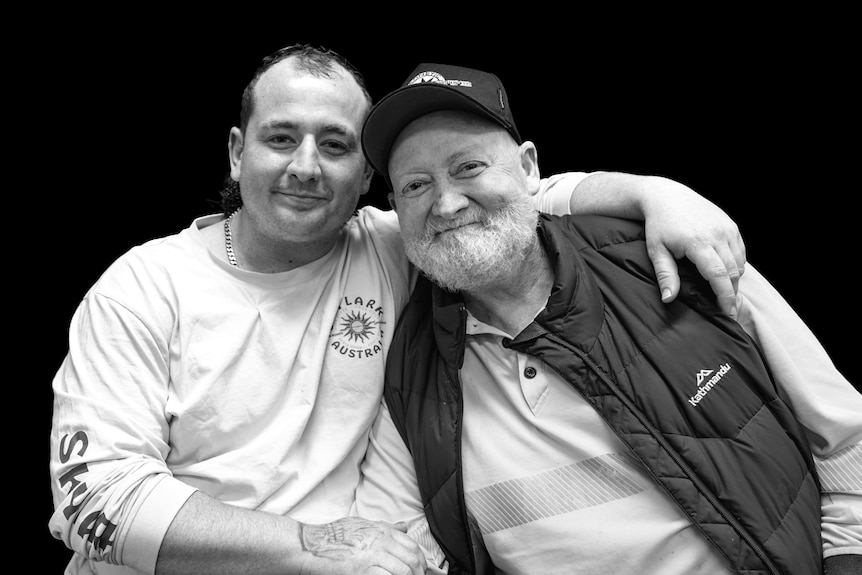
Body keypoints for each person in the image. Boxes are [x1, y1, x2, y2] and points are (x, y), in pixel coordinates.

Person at [49, 45, 750, 575]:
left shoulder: (397, 244)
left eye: (335, 145)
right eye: (280, 137)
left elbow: (503, 200)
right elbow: (96, 498)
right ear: (237, 153)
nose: (305, 166)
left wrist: (654, 193)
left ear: (366, 176)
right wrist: (310, 547)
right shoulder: (144, 286)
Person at [353, 63, 862, 574]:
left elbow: (847, 444)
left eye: (469, 167)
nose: (446, 203)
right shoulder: (409, 371)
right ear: (396, 208)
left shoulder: (679, 260)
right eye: (417, 185)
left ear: (529, 169)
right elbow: (398, 543)